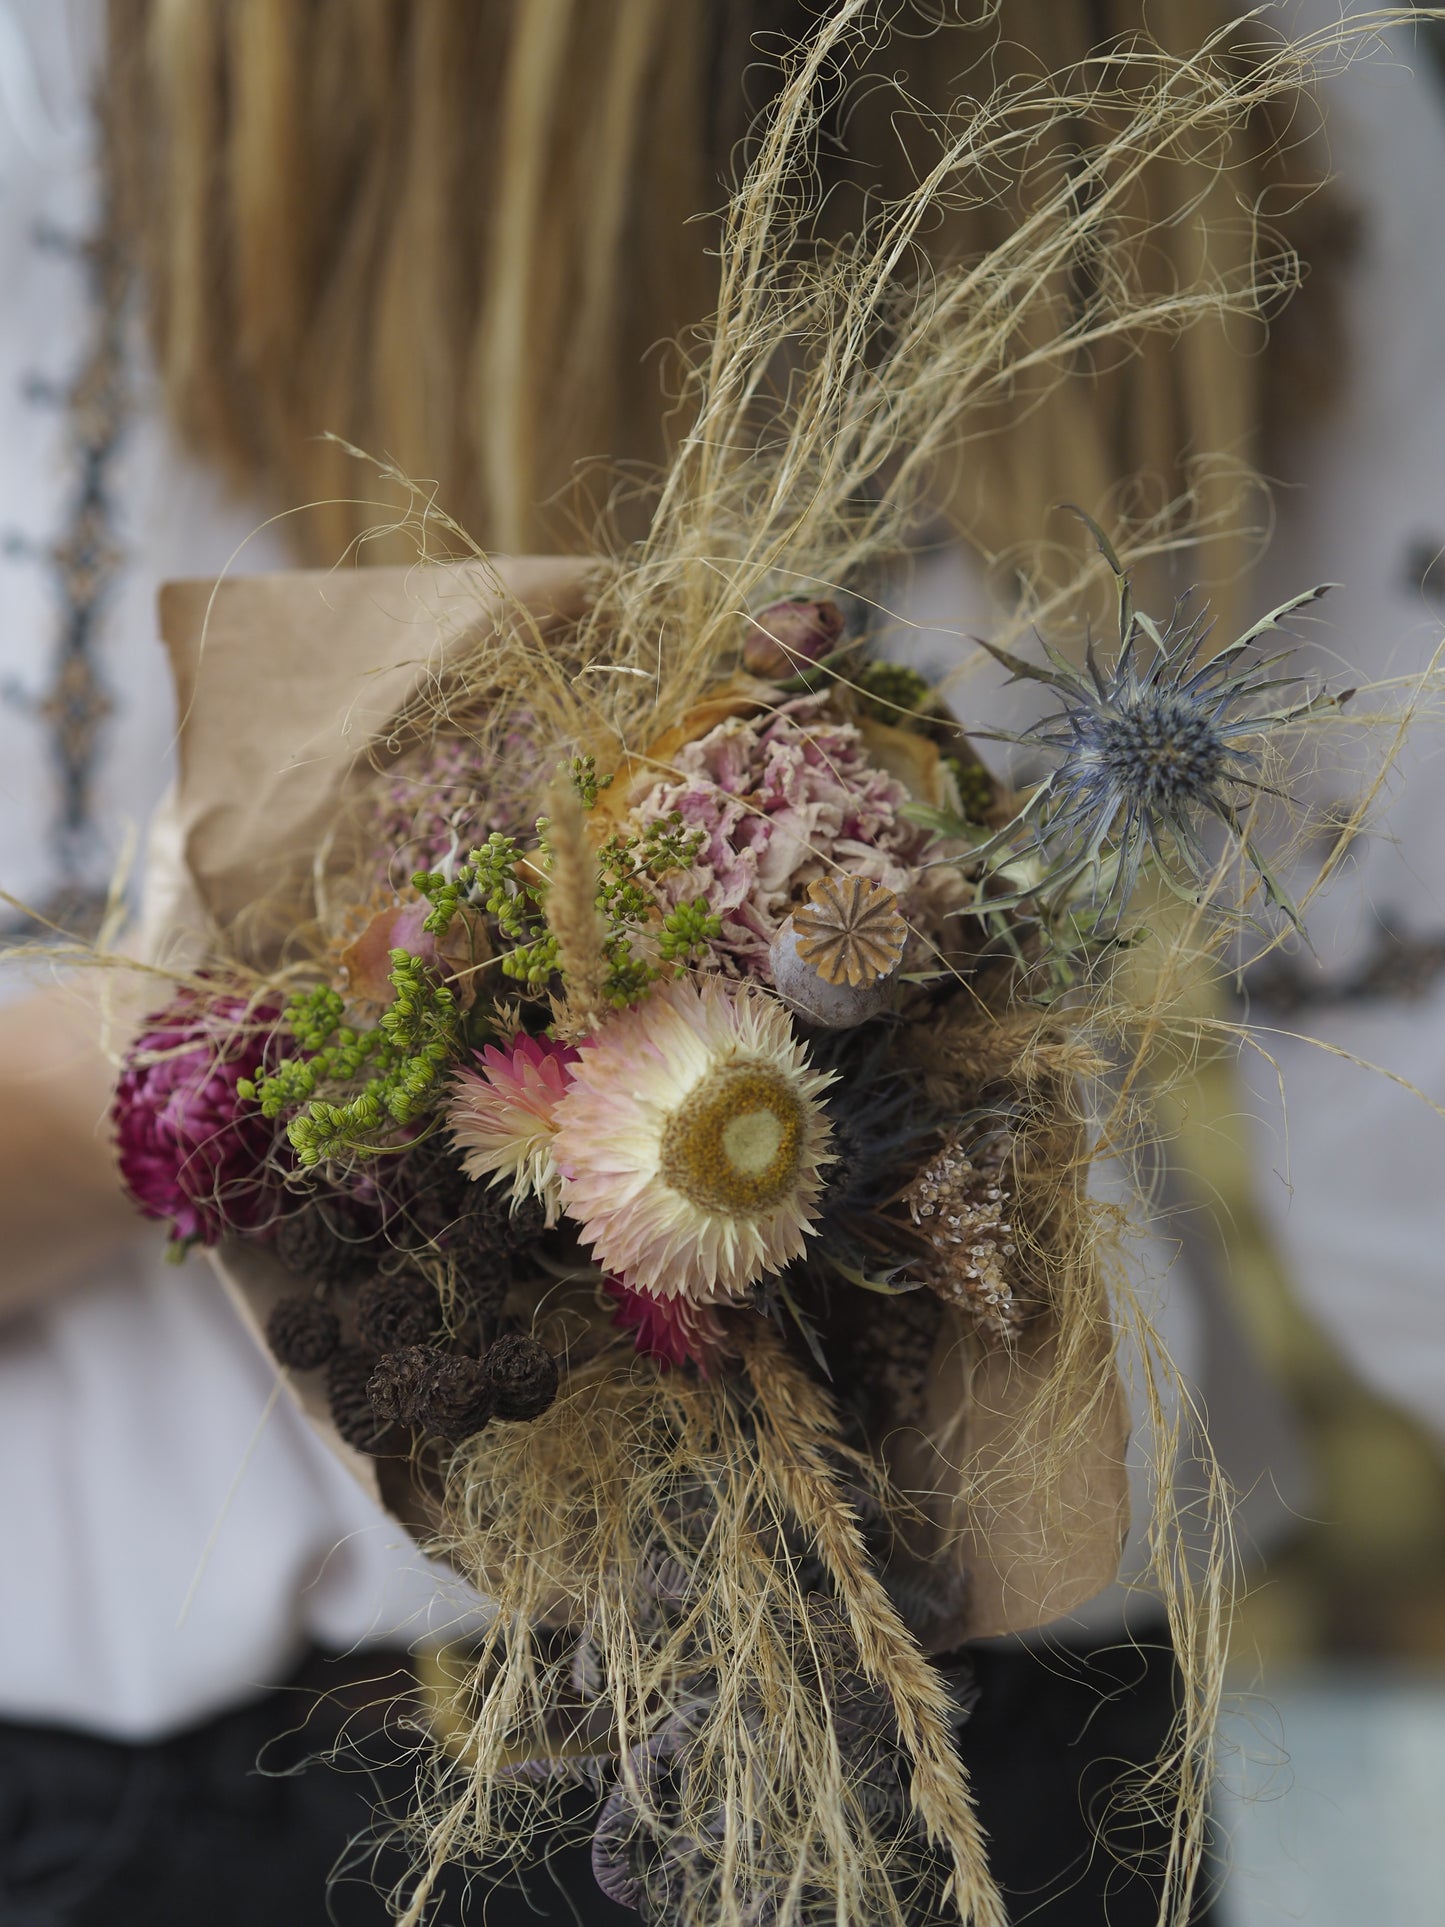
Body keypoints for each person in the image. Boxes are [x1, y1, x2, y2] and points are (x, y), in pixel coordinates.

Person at [3, 0, 1419, 1921]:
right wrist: (311, 1048)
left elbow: (1403, 1096)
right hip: (230, 1792)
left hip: (929, 1729)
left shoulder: (1205, 61)